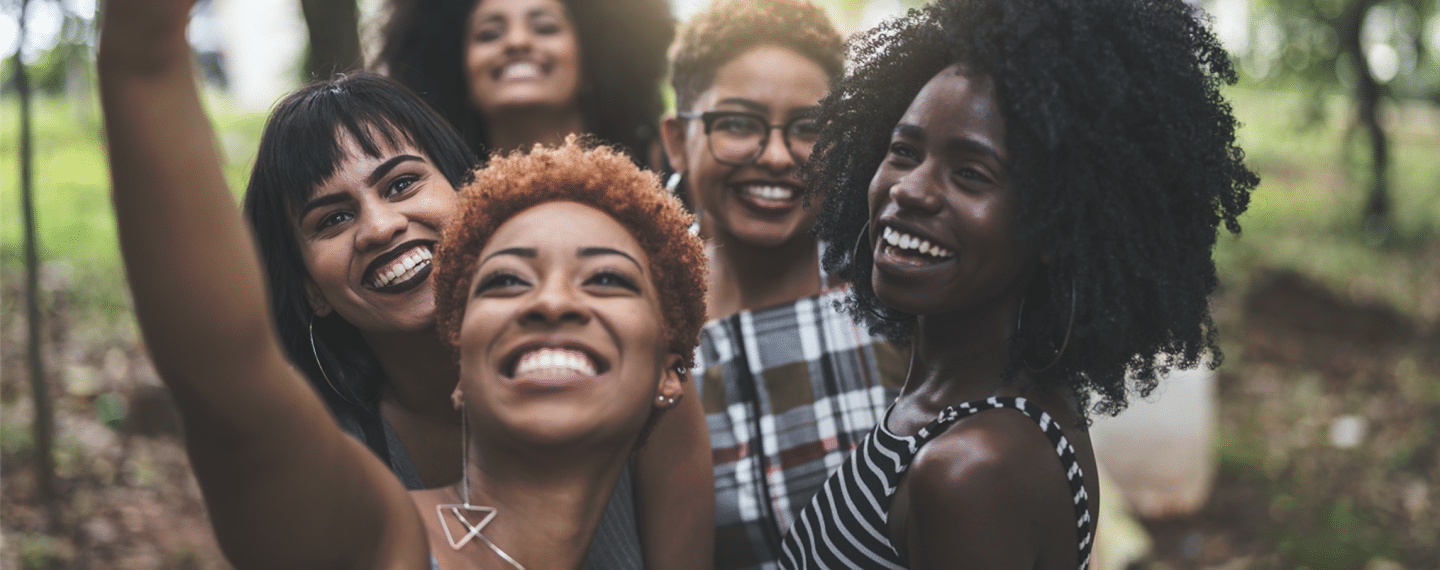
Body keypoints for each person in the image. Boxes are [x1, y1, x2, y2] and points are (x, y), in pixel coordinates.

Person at [98, 1, 708, 566]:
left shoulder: (649, 391)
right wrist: (142, 61)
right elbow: (229, 391)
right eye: (333, 219)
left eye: (401, 184)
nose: (380, 226)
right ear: (464, 380)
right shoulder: (376, 524)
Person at [778, 0, 1259, 568]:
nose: (910, 190)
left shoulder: (973, 469)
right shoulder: (983, 400)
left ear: (1056, 228)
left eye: (971, 173)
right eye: (903, 151)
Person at [659, 1, 908, 568]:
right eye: (738, 124)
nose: (775, 157)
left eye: (810, 128)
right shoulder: (648, 319)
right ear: (677, 140)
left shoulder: (890, 288)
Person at [377, 0, 674, 163]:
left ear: (592, 63)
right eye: (489, 34)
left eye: (545, 28)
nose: (517, 42)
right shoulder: (440, 203)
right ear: (458, 74)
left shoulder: (668, 165)